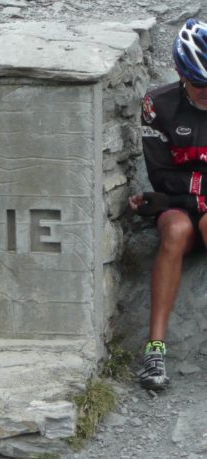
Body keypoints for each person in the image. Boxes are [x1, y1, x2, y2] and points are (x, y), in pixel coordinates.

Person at [128, 18, 207, 390]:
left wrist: (176, 191)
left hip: (188, 204)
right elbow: (160, 175)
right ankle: (154, 350)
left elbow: (168, 184)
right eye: (198, 84)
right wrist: (174, 196)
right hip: (176, 207)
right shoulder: (157, 104)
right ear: (181, 73)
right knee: (175, 229)